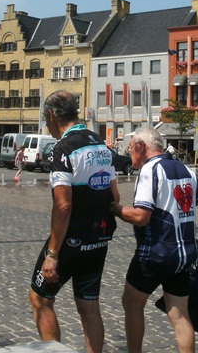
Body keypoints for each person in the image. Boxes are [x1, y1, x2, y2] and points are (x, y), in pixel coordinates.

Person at [29, 90, 120, 353]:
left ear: (51, 115)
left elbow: (63, 205)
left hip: (71, 240)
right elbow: (114, 195)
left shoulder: (63, 148)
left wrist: (52, 253)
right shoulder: (100, 143)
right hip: (98, 240)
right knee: (89, 307)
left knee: (40, 299)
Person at [112, 126, 198, 353]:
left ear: (141, 147)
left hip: (155, 255)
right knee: (179, 315)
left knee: (131, 303)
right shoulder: (186, 170)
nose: (130, 154)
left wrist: (114, 208)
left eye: (131, 148)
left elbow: (141, 216)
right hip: (184, 257)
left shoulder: (150, 171)